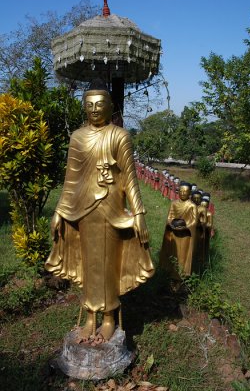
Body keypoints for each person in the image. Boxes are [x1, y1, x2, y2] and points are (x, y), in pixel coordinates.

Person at [45, 83, 154, 343]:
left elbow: (130, 178)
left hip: (110, 207)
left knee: (106, 263)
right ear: (84, 107)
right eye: (89, 105)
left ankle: (108, 318)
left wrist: (138, 213)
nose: (94, 110)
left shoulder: (119, 136)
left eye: (99, 104)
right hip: (81, 209)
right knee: (88, 263)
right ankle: (90, 316)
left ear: (110, 107)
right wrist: (59, 210)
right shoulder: (77, 137)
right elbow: (71, 178)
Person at [159, 182, 198, 280]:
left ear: (189, 193)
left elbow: (194, 221)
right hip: (174, 233)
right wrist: (171, 224)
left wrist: (185, 227)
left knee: (182, 255)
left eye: (185, 191)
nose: (183, 193)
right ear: (178, 192)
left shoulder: (192, 205)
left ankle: (180, 277)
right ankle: (171, 274)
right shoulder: (174, 203)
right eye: (181, 191)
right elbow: (169, 217)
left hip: (185, 235)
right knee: (173, 254)